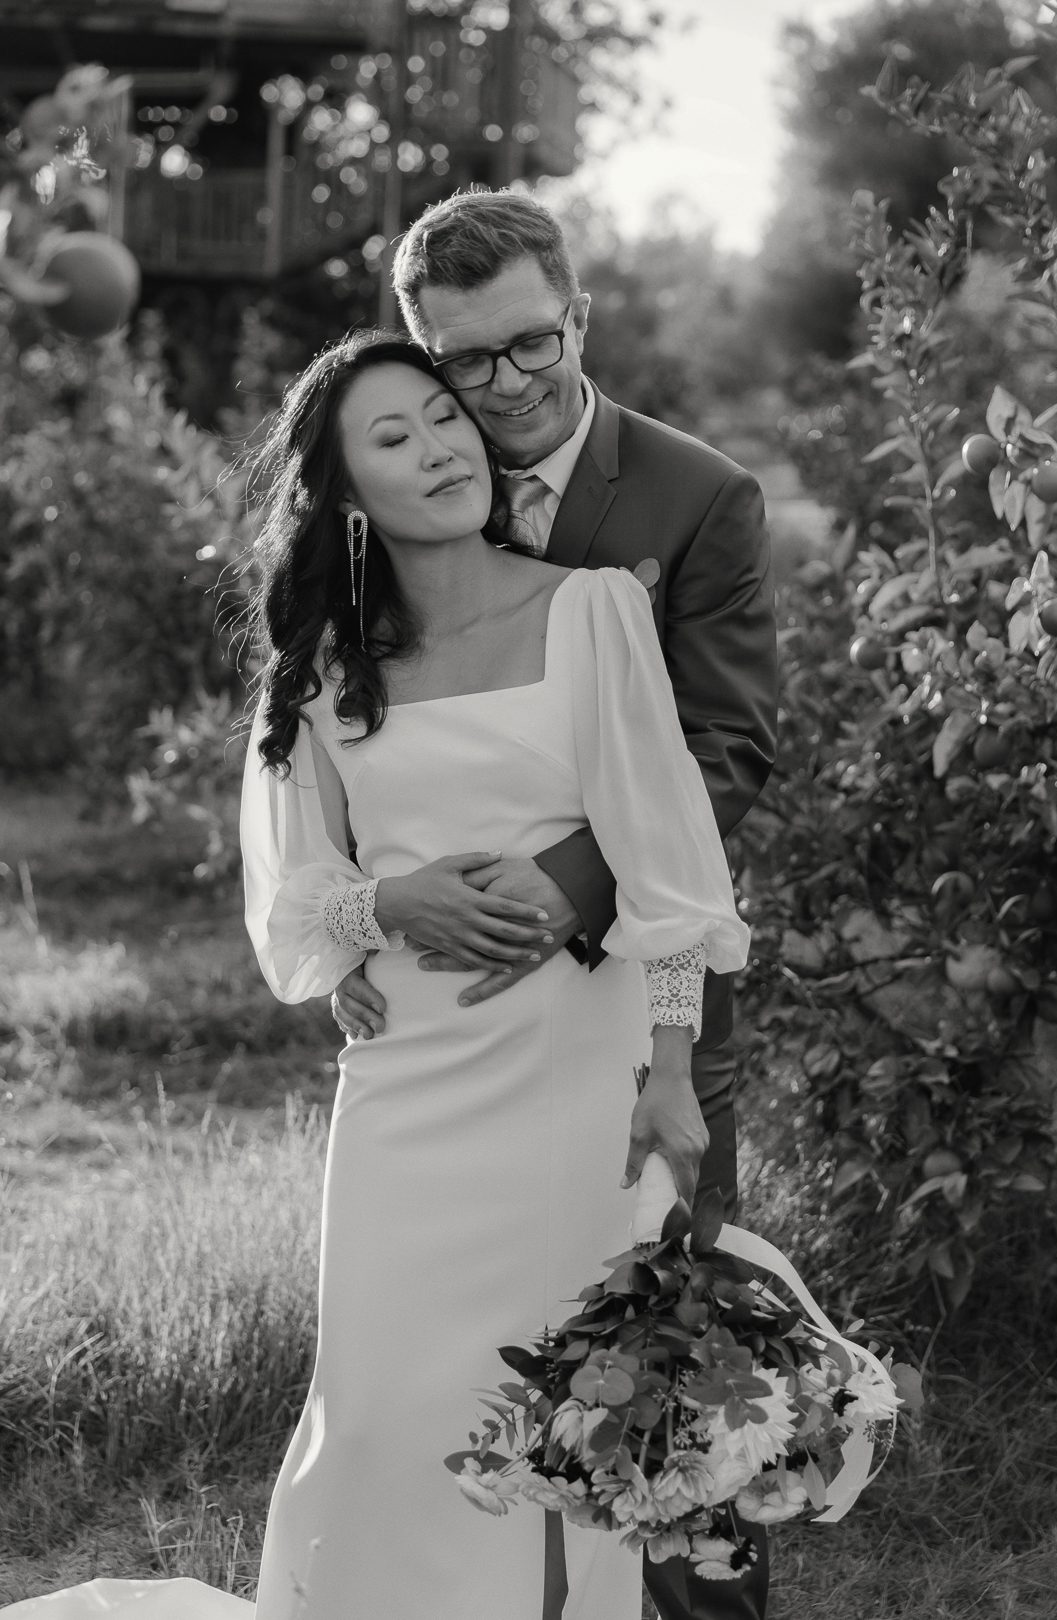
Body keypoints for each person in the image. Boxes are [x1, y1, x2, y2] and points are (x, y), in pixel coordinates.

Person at [1, 331, 750, 1620]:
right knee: (384, 1399)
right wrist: (384, 903)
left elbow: (670, 860)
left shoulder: (593, 610)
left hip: (576, 1065)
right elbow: (291, 907)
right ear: (348, 496)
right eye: (393, 439)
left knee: (568, 1403)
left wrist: (672, 1067)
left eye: (444, 419)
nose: (442, 449)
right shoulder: (322, 671)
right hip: (406, 1079)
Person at [331, 188, 778, 1620]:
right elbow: (335, 750)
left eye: (533, 341)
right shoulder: (386, 504)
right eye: (466, 360)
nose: (508, 382)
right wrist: (372, 912)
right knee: (460, 1372)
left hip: (642, 993)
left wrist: (562, 887)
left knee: (668, 1364)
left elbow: (726, 749)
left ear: (578, 315)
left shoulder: (697, 497)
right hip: (449, 1030)